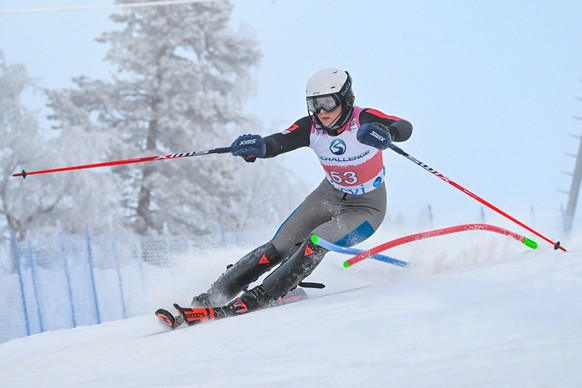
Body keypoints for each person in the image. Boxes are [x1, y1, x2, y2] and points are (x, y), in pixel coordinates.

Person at [181, 68, 412, 324]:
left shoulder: (363, 119)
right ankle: (213, 296)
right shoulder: (311, 127)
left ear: (345, 100)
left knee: (317, 241)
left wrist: (388, 134)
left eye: (327, 102)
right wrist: (257, 147)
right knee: (279, 245)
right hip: (329, 195)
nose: (321, 111)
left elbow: (404, 126)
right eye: (314, 104)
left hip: (367, 209)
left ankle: (259, 297)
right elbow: (278, 142)